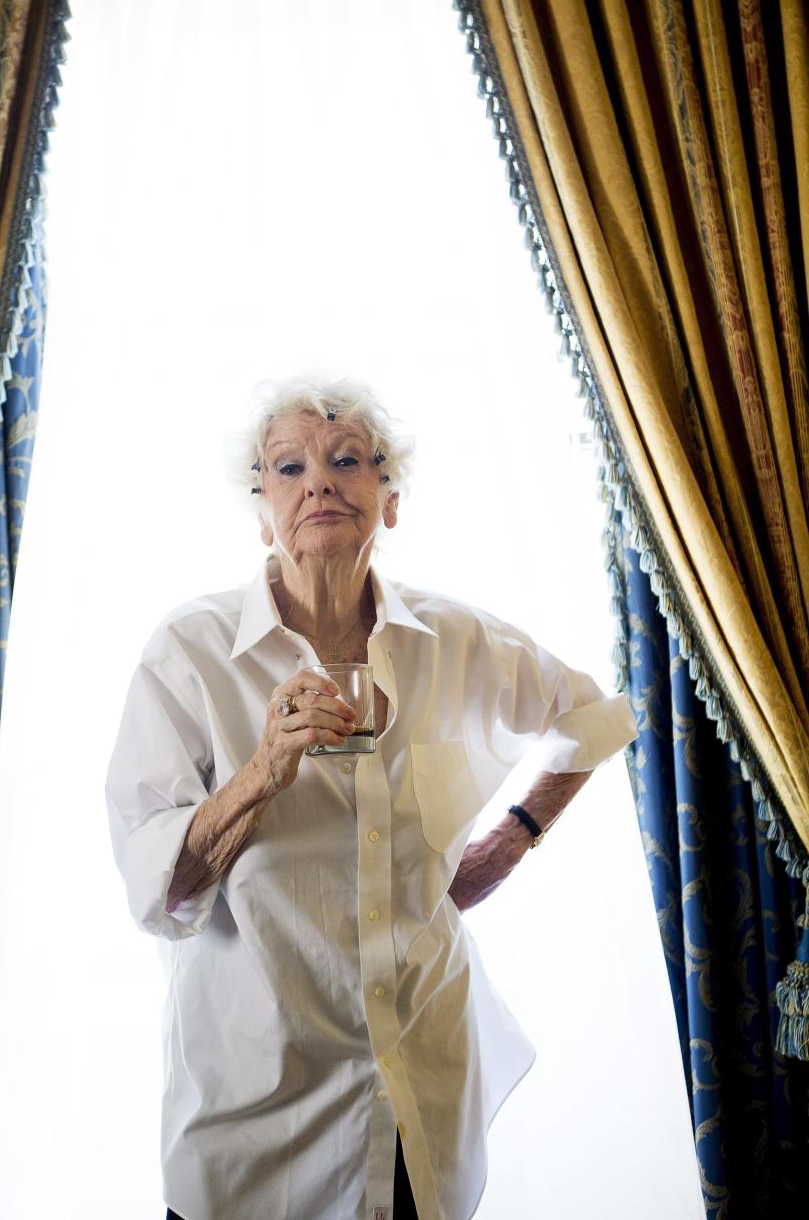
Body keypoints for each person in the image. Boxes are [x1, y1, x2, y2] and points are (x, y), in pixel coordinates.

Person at [106, 376, 637, 1220]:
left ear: (388, 500)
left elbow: (597, 718)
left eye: (347, 459)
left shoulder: (455, 640)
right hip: (253, 1135)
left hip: (420, 1114)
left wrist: (513, 835)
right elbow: (157, 892)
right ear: (261, 510)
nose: (319, 481)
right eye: (288, 466)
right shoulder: (189, 652)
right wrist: (262, 772)